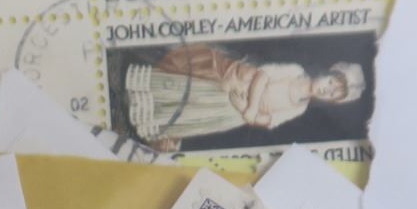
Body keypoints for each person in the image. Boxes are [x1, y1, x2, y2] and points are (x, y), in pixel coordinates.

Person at [125, 46, 366, 151]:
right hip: (243, 87)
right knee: (196, 95)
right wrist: (251, 104)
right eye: (331, 83)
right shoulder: (295, 71)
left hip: (236, 112)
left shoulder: (299, 108)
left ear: (330, 102)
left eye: (333, 94)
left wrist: (249, 114)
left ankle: (148, 117)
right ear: (327, 73)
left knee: (196, 115)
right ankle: (145, 93)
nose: (326, 90)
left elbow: (269, 121)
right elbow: (262, 75)